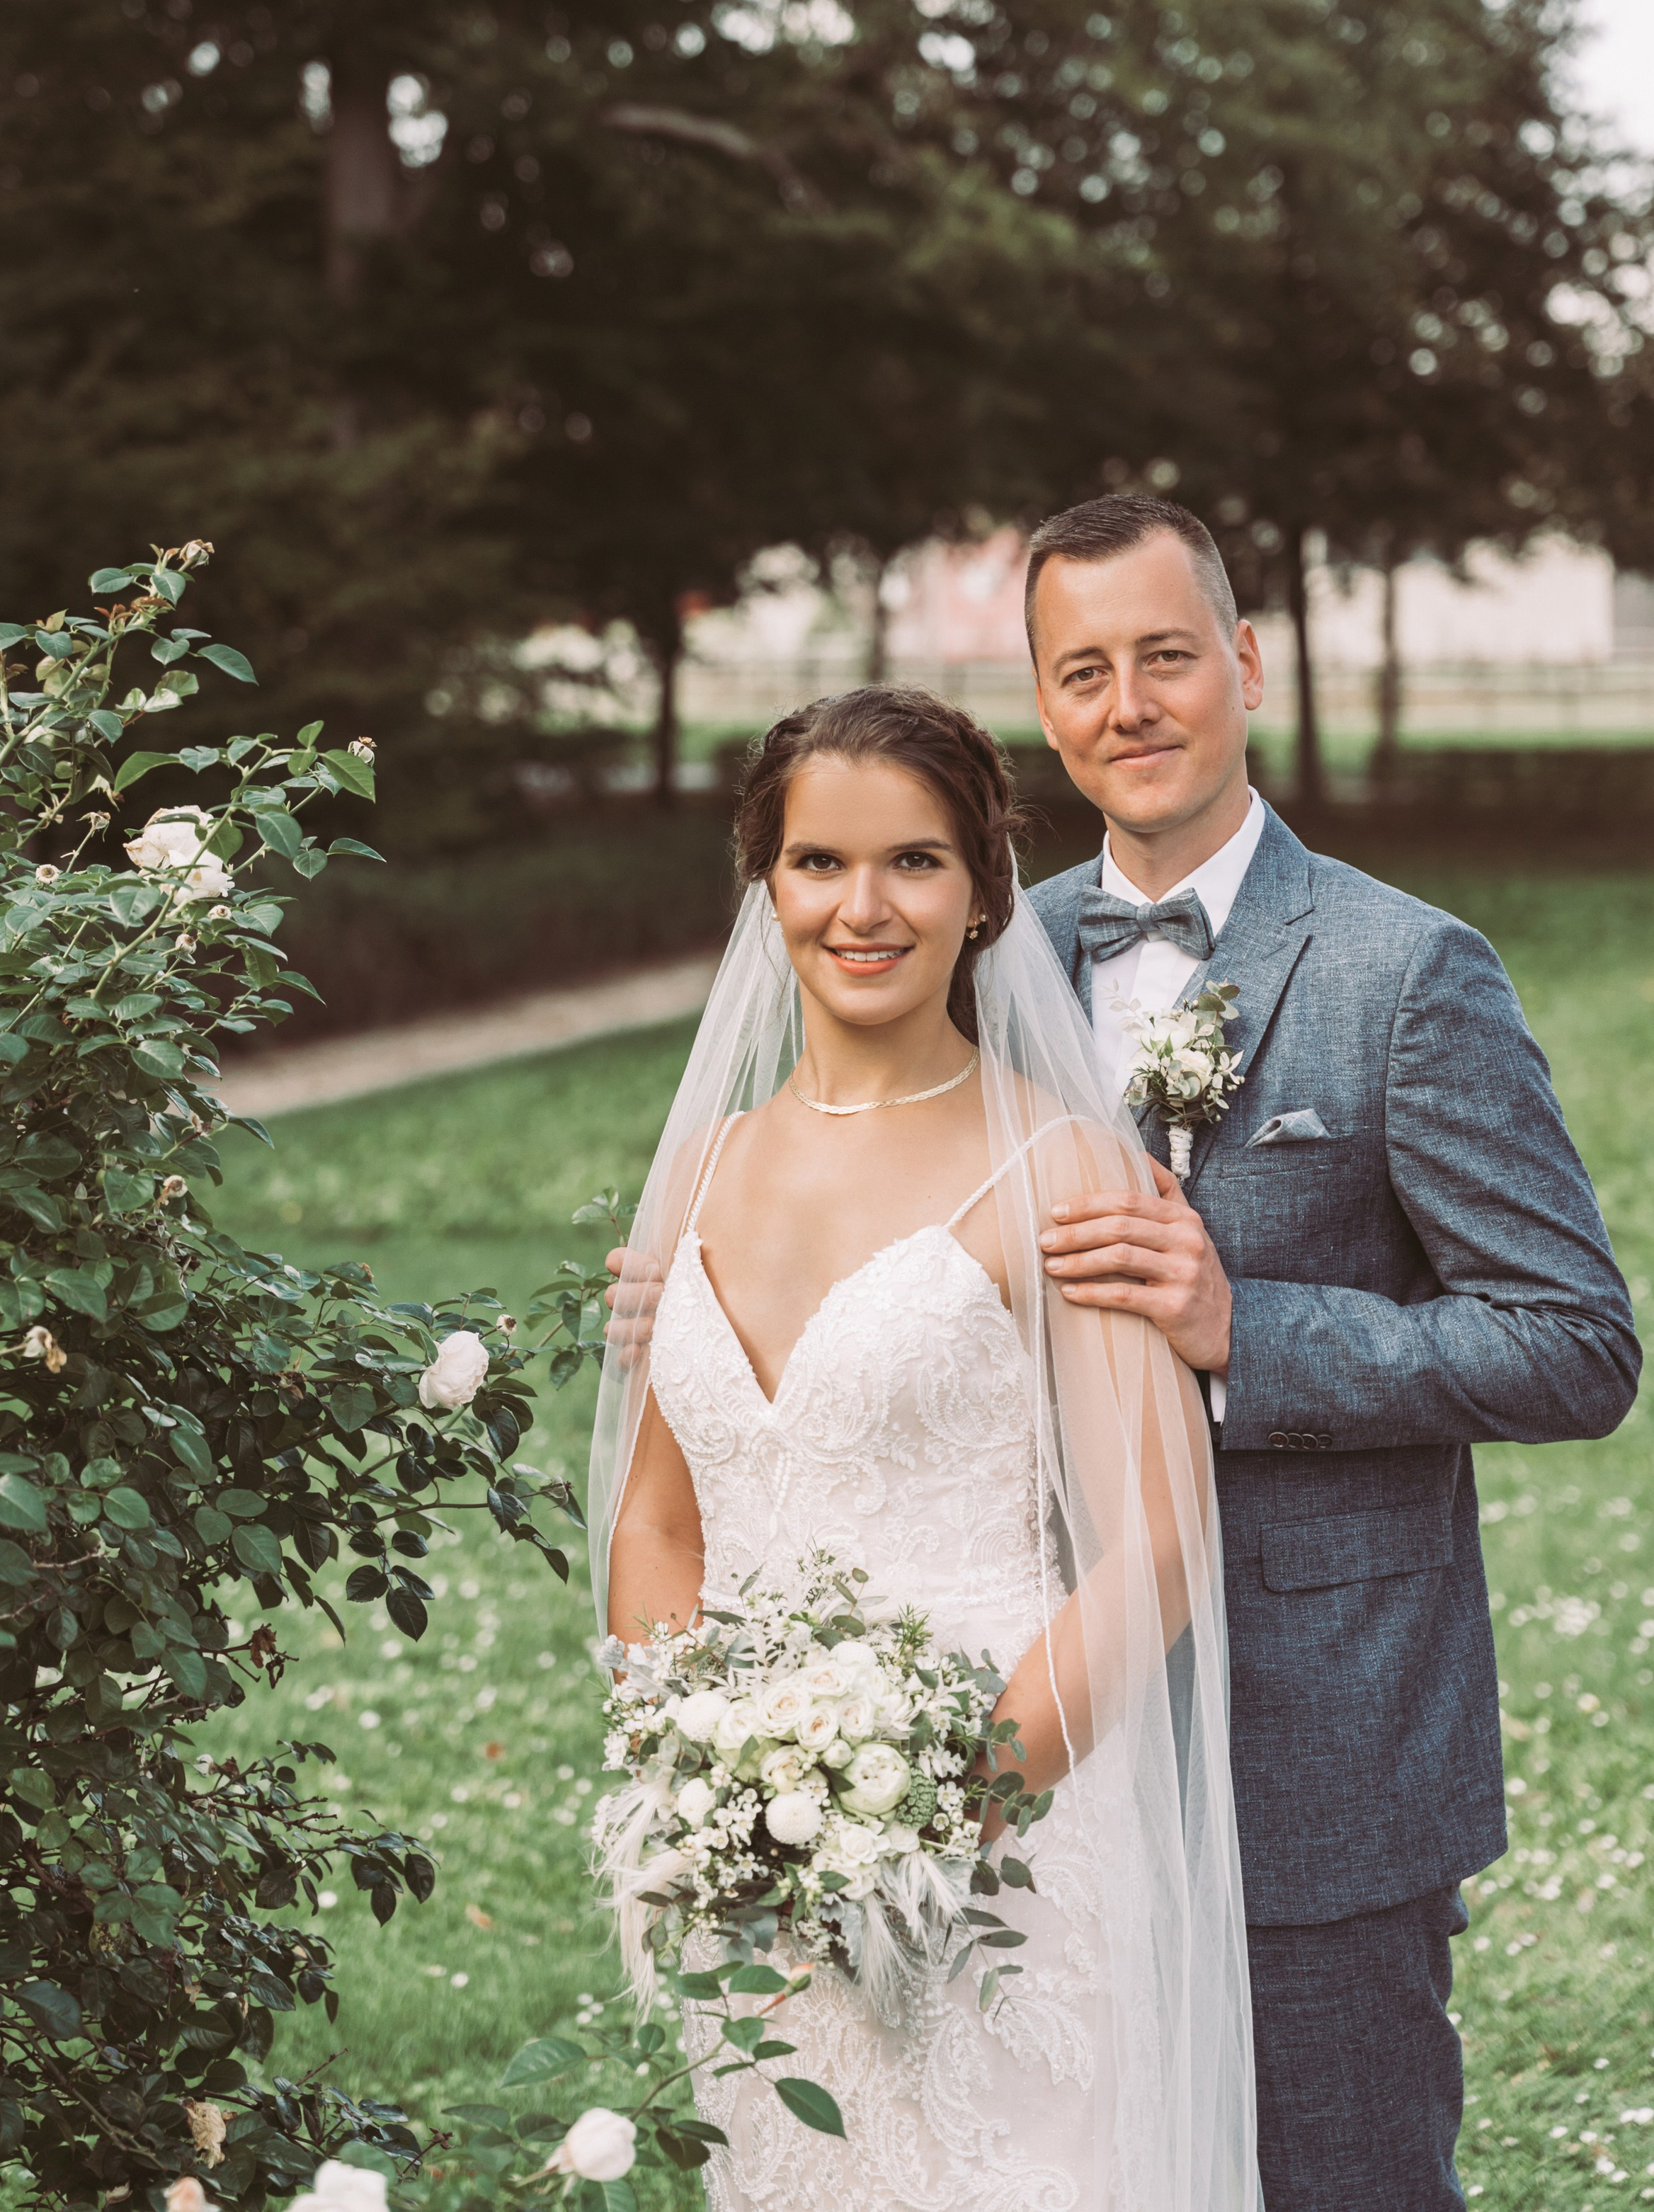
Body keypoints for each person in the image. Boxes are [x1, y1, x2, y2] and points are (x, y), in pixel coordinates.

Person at [1022, 493, 1640, 2212]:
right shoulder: (990, 966)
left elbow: (1572, 1343)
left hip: (1319, 1755)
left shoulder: (1404, 968)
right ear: (1042, 703)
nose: (1126, 704)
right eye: (1081, 670)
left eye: (1162, 655)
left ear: (1244, 660)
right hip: (1044, 1737)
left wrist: (1244, 1333)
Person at [593, 686, 1260, 2212]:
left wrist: (935, 1814)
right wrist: (704, 1781)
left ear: (980, 894)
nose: (861, 906)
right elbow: (657, 1527)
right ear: (763, 882)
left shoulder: (1063, 1169)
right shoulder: (696, 1166)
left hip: (996, 1849)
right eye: (817, 862)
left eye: (912, 862)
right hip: (748, 1867)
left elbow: (1153, 1545)